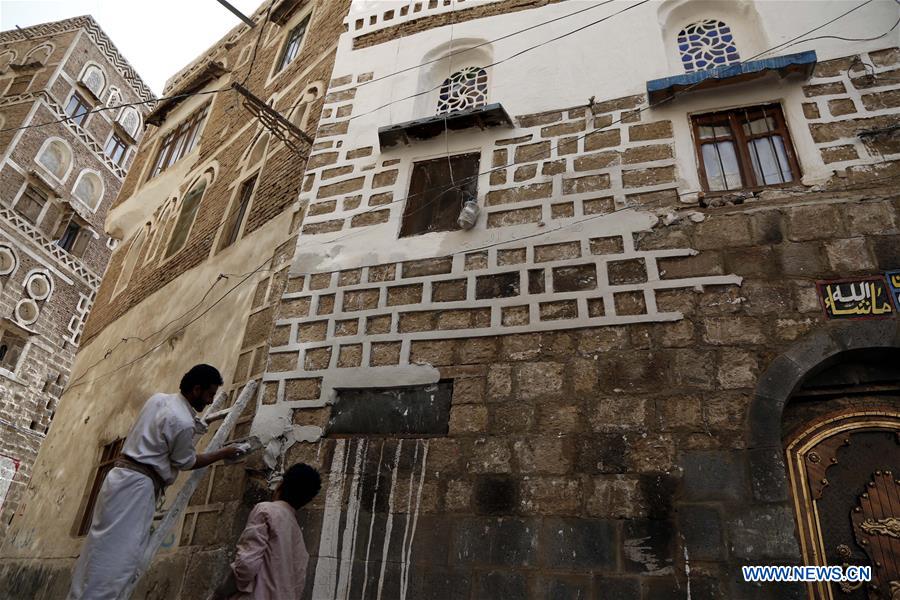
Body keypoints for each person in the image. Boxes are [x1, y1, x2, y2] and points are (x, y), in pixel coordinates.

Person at [68, 364, 242, 600]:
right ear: (196, 389)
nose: (211, 401)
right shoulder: (182, 422)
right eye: (209, 394)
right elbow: (187, 461)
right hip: (137, 487)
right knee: (119, 557)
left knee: (98, 546)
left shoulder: (158, 400)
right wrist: (223, 452)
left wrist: (195, 428)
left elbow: (164, 434)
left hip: (119, 478)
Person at [213, 463, 322, 600]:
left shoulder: (266, 511)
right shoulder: (299, 542)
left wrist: (220, 594)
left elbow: (246, 566)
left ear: (280, 484)